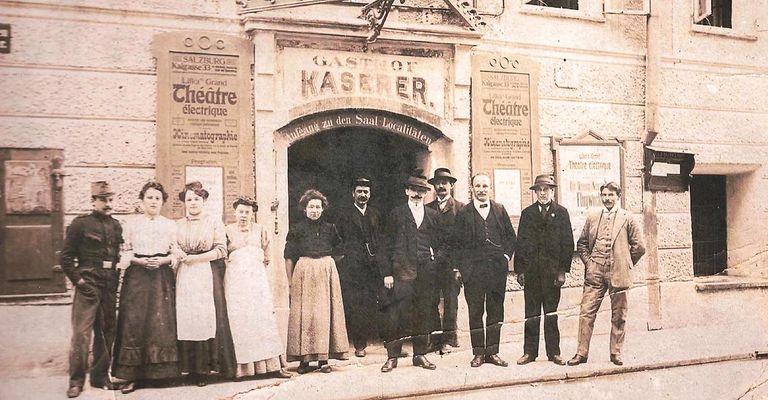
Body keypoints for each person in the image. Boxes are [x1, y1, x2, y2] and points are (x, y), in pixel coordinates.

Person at [567, 182, 646, 367]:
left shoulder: (628, 218)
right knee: (586, 313)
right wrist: (589, 263)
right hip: (595, 273)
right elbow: (582, 244)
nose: (607, 199)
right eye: (604, 195)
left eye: (611, 195)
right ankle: (581, 353)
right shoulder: (593, 217)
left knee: (619, 315)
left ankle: (616, 352)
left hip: (618, 273)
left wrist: (625, 263)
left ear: (618, 196)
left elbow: (640, 247)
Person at [112, 181, 180, 394]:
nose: (153, 201)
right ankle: (131, 376)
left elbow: (176, 252)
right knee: (135, 322)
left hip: (161, 277)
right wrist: (139, 261)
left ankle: (160, 374)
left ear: (163, 202)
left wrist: (164, 260)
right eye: (149, 197)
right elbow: (125, 251)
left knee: (160, 323)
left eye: (157, 198)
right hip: (137, 276)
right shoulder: (131, 224)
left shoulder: (170, 225)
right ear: (142, 201)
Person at [60, 181, 123, 398]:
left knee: (106, 333)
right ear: (93, 201)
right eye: (103, 199)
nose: (108, 204)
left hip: (109, 285)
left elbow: (117, 256)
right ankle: (76, 381)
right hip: (88, 285)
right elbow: (66, 258)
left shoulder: (116, 226)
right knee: (81, 335)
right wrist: (80, 283)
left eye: (110, 199)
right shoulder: (80, 225)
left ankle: (100, 377)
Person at [379, 172, 442, 373]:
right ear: (407, 191)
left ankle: (420, 355)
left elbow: (441, 243)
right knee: (396, 315)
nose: (417, 194)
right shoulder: (396, 214)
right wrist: (387, 273)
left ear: (425, 193)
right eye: (414, 190)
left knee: (423, 313)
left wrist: (434, 260)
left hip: (425, 273)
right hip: (401, 272)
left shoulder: (432, 215)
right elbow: (385, 245)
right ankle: (392, 357)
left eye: (421, 191)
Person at [174, 181, 236, 385]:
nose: (193, 203)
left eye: (197, 199)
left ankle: (203, 370)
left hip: (205, 273)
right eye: (189, 199)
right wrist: (179, 253)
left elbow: (221, 250)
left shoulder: (213, 222)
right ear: (185, 202)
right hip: (185, 274)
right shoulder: (178, 224)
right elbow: (172, 245)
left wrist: (196, 258)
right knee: (187, 318)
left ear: (204, 201)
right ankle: (188, 368)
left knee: (204, 318)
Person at [224, 196, 291, 379]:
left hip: (257, 282)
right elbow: (224, 257)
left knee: (263, 320)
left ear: (252, 213)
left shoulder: (261, 230)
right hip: (236, 284)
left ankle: (272, 367)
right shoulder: (227, 231)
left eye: (247, 212)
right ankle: (242, 370)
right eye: (240, 211)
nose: (243, 215)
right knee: (241, 322)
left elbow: (267, 257)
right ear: (235, 212)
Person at [453, 173, 516, 368]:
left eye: (485, 186)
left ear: (490, 188)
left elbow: (511, 238)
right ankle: (478, 353)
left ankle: (493, 352)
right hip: (473, 271)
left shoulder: (499, 210)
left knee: (495, 311)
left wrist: (506, 257)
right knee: (475, 312)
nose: (481, 190)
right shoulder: (464, 212)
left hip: (496, 271)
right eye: (478, 186)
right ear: (472, 188)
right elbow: (456, 243)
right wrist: (458, 268)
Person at [284, 189, 348, 374]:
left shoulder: (330, 228)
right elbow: (288, 257)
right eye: (311, 207)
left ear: (323, 209)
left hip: (325, 273)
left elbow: (340, 251)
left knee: (324, 316)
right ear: (305, 209)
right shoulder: (296, 229)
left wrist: (327, 266)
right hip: (303, 273)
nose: (315, 210)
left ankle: (323, 360)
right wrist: (290, 282)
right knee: (305, 316)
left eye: (318, 207)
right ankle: (304, 360)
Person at [514, 175, 574, 366]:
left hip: (552, 274)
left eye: (546, 189)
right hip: (532, 273)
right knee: (531, 314)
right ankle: (529, 353)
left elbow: (567, 243)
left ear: (552, 191)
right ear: (535, 192)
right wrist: (520, 271)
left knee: (551, 314)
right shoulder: (527, 214)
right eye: (539, 190)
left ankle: (554, 352)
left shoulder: (561, 213)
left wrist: (562, 271)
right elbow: (520, 243)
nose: (542, 193)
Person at [331, 178, 382, 358]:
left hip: (372, 267)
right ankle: (359, 344)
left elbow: (381, 238)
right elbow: (336, 239)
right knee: (354, 305)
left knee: (370, 303)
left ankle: (372, 338)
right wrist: (344, 256)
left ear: (370, 194)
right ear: (353, 193)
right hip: (351, 267)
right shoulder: (343, 214)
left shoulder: (375, 214)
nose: (363, 195)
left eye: (366, 192)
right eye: (359, 191)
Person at [425, 167, 464, 354]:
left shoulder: (461, 208)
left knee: (450, 302)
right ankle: (434, 340)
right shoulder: (427, 208)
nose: (441, 186)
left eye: (445, 183)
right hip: (432, 264)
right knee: (431, 300)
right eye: (438, 183)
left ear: (451, 185)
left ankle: (449, 340)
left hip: (451, 265)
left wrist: (458, 267)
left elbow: (463, 241)